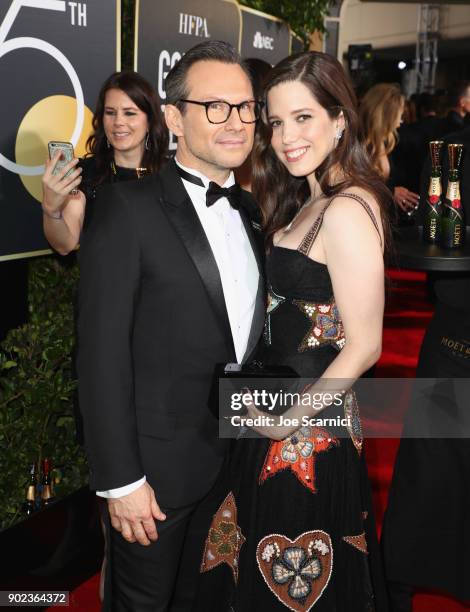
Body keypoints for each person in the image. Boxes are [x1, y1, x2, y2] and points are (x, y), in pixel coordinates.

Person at [195, 51, 391, 611]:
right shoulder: (309, 198)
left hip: (308, 434)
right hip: (278, 418)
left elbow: (367, 344)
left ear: (340, 120)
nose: (285, 137)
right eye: (276, 121)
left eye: (303, 118)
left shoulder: (348, 209)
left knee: (295, 584)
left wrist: (285, 424)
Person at [76, 41, 265, 611]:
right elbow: (100, 355)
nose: (236, 122)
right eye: (216, 107)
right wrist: (121, 481)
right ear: (175, 117)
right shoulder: (125, 209)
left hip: (233, 462)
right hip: (153, 479)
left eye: (246, 108)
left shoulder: (251, 210)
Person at [382, 125, 470, 612]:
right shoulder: (454, 151)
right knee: (429, 474)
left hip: (452, 335)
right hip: (455, 340)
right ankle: (398, 583)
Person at [41, 71, 168, 255]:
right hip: (105, 280)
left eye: (129, 113)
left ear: (149, 121)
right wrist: (51, 210)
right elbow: (65, 244)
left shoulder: (170, 174)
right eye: (110, 113)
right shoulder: (86, 173)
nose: (118, 122)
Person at [359, 83, 420, 219]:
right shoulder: (357, 145)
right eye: (399, 115)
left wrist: (392, 191)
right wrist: (391, 191)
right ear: (386, 116)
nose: (401, 121)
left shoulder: (384, 142)